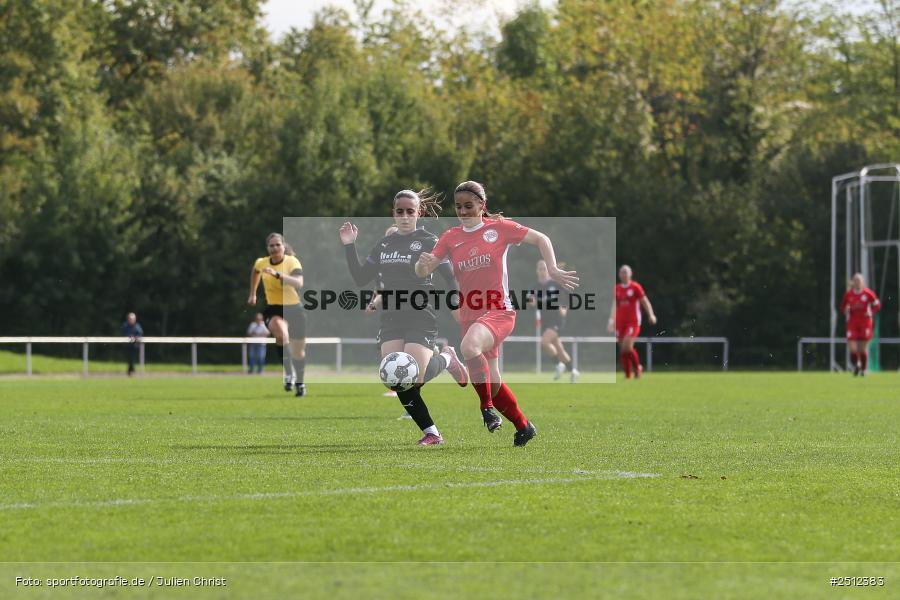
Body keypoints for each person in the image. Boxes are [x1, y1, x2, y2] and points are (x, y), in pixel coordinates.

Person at [416, 180, 578, 446]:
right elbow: (425, 270)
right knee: (492, 381)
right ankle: (524, 426)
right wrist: (422, 267)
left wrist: (551, 268)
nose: (463, 211)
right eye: (458, 206)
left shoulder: (499, 229)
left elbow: (541, 238)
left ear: (482, 205)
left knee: (469, 347)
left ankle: (486, 409)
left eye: (469, 205)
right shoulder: (450, 237)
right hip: (470, 315)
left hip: (498, 310)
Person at [340, 190, 469, 446]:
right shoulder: (384, 244)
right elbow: (360, 278)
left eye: (410, 211)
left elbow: (450, 276)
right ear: (394, 213)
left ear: (418, 213)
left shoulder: (430, 240)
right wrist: (349, 245)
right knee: (395, 378)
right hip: (392, 317)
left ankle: (446, 358)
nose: (405, 216)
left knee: (415, 378)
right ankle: (431, 432)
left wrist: (456, 302)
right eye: (400, 211)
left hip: (421, 315)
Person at [248, 233, 307, 396]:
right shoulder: (262, 263)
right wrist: (253, 293)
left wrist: (278, 275)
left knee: (298, 352)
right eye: (271, 246)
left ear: (283, 246)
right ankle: (288, 374)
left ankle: (300, 383)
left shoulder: (291, 261)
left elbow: (299, 283)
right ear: (267, 248)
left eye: (277, 245)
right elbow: (255, 272)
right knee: (281, 335)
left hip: (294, 309)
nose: (274, 248)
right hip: (274, 309)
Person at [529, 259, 579, 383]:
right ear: (537, 270)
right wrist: (531, 301)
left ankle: (558, 365)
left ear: (548, 270)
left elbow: (568, 295)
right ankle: (572, 370)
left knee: (545, 342)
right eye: (540, 268)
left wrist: (564, 307)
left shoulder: (554, 283)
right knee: (559, 348)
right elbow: (531, 301)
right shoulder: (535, 287)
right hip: (546, 320)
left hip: (557, 319)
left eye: (544, 268)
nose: (542, 271)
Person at [607, 265, 657, 379]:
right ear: (619, 275)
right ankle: (628, 374)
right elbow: (614, 306)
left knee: (627, 347)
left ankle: (637, 369)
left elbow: (645, 301)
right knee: (623, 349)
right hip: (620, 323)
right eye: (621, 272)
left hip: (633, 322)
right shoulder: (617, 288)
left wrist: (651, 314)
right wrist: (611, 321)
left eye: (626, 272)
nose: (623, 274)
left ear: (630, 274)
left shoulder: (635, 287)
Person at [840, 273, 881, 376]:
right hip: (852, 323)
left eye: (859, 280)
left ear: (862, 282)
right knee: (853, 348)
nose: (857, 282)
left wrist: (871, 312)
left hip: (865, 323)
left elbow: (877, 304)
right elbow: (843, 306)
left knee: (862, 349)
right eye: (855, 280)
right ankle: (857, 365)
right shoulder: (848, 294)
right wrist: (846, 310)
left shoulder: (868, 293)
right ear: (853, 282)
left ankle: (863, 369)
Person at [121, 312, 143, 377]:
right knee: (129, 359)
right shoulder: (125, 325)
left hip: (135, 346)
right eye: (130, 319)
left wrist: (135, 337)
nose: (132, 320)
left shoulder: (137, 326)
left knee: (132, 359)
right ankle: (131, 370)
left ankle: (131, 371)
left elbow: (140, 334)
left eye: (133, 319)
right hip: (127, 346)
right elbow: (123, 333)